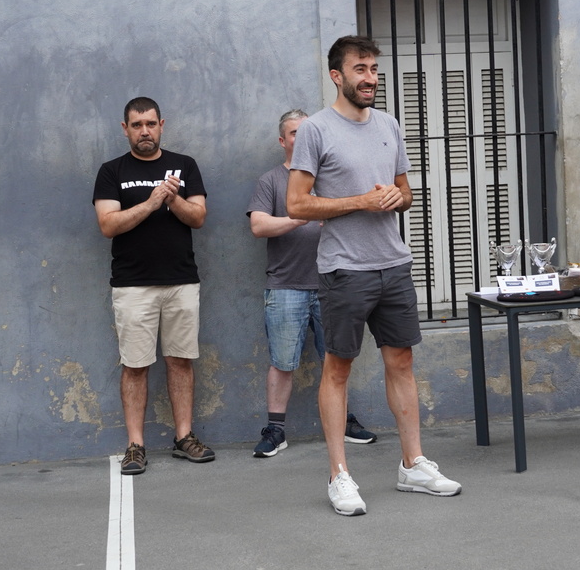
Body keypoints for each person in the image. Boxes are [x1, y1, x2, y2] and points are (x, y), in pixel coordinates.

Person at [287, 35, 462, 516]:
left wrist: (392, 198)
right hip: (345, 268)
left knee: (401, 361)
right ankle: (339, 475)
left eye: (374, 69)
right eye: (360, 69)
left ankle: (413, 465)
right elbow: (297, 204)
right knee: (338, 368)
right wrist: (360, 201)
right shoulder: (315, 130)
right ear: (337, 76)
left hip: (393, 264)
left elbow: (406, 193)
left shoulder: (389, 124)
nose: (370, 78)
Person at [93, 96, 216, 475]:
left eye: (150, 124)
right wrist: (151, 202)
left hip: (181, 281)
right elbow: (108, 225)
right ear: (125, 129)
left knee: (180, 360)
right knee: (135, 365)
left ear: (162, 125)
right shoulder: (111, 171)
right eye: (137, 125)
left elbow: (198, 217)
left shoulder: (185, 165)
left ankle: (184, 437)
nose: (144, 131)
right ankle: (135, 445)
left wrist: (173, 199)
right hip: (133, 285)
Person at [246, 108, 378, 458]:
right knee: (282, 363)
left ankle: (344, 421)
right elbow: (258, 226)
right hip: (285, 286)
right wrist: (300, 215)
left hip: (333, 283)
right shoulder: (271, 181)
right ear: (282, 140)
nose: (301, 138)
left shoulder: (331, 177)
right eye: (294, 133)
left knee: (337, 360)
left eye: (306, 131)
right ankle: (276, 430)